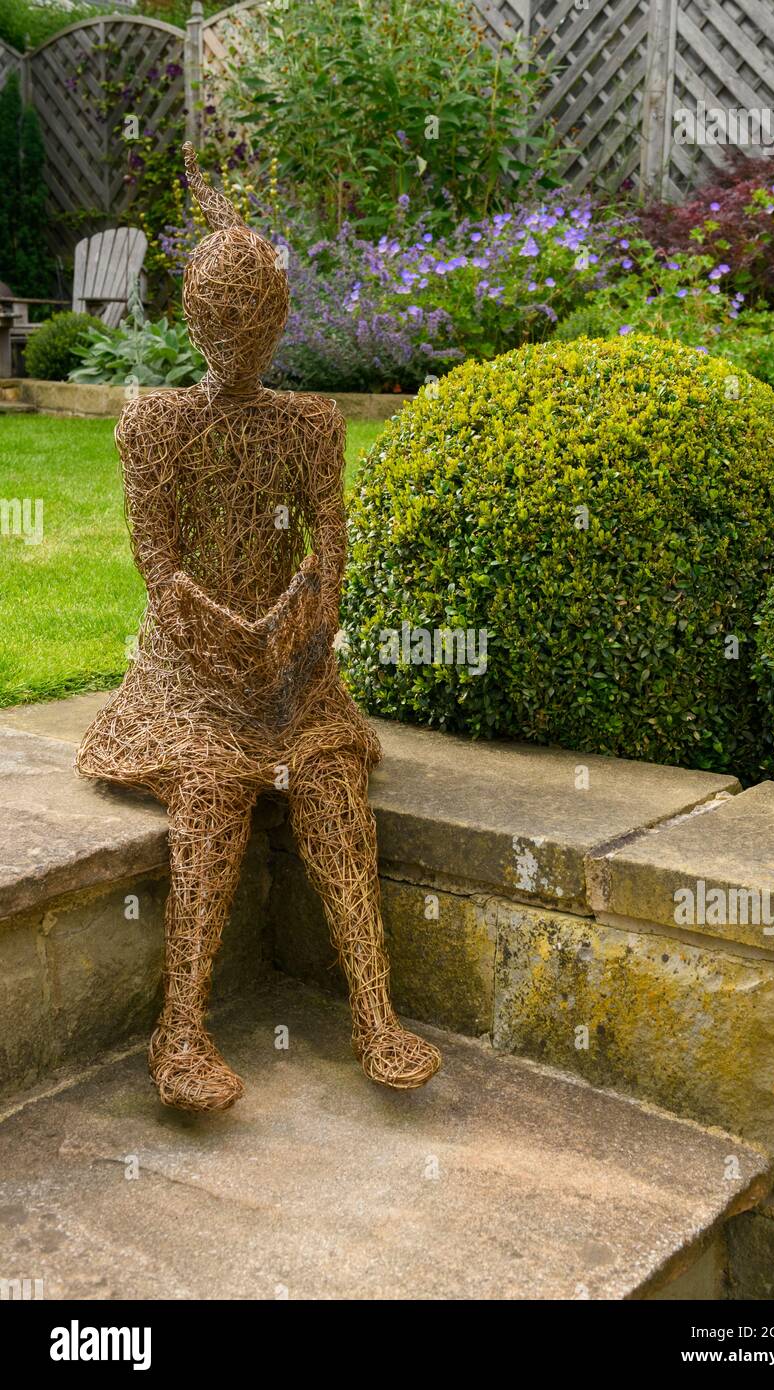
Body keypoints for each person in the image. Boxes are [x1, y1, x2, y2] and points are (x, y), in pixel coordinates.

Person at [77, 143, 441, 1112]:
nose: (240, 334)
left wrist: (301, 613)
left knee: (330, 790)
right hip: (188, 674)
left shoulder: (308, 423)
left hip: (290, 671)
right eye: (222, 315)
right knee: (211, 794)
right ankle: (180, 1030)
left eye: (257, 315)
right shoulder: (155, 424)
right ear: (195, 318)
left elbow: (330, 541)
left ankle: (374, 1014)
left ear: (280, 319)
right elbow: (157, 561)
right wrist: (215, 629)